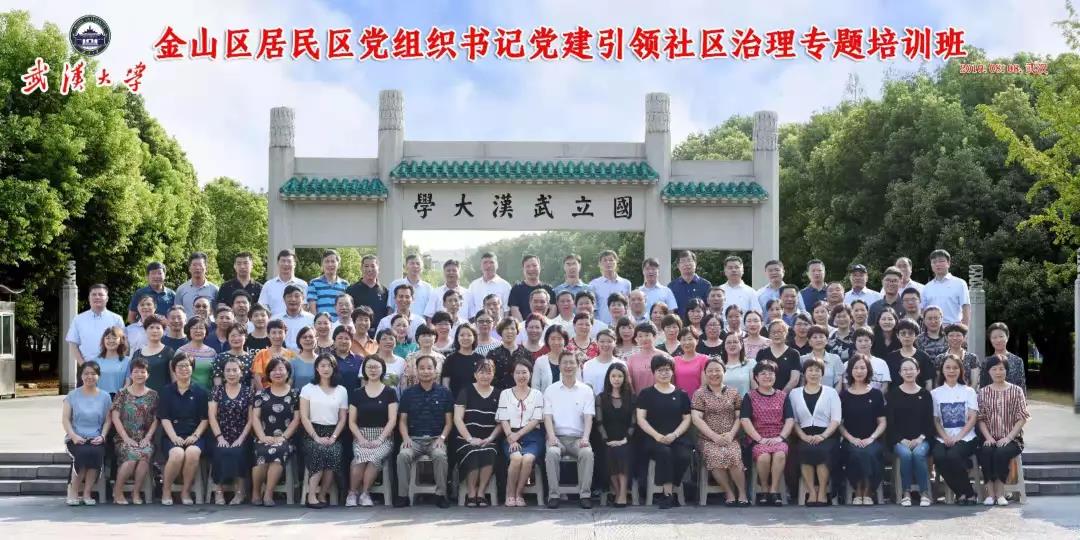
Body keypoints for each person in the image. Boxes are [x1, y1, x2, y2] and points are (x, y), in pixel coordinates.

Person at [395, 355, 454, 508]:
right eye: (422, 368)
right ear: (416, 371)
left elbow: (449, 422)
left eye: (429, 368)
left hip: (436, 439)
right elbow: (402, 421)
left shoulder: (445, 393)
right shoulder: (408, 394)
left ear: (435, 371)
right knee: (403, 455)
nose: (426, 371)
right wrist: (406, 438)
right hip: (414, 439)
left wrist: (442, 438)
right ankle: (403, 496)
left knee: (440, 455)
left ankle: (441, 495)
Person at [635, 355, 693, 509]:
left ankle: (671, 489)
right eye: (660, 370)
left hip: (677, 437)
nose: (664, 373)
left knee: (684, 456)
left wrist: (674, 435)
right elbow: (641, 419)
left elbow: (687, 419)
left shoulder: (681, 394)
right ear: (654, 372)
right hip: (653, 438)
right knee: (665, 453)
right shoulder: (646, 394)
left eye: (667, 370)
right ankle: (667, 495)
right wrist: (657, 436)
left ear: (672, 371)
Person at [692, 359, 749, 507]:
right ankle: (729, 493)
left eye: (717, 370)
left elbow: (739, 417)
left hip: (731, 437)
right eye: (710, 371)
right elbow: (696, 419)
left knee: (733, 455)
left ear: (724, 372)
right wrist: (714, 436)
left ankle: (742, 493)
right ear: (705, 373)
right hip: (708, 439)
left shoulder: (733, 392)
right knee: (716, 455)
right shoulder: (700, 394)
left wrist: (730, 434)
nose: (714, 374)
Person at [543, 350, 596, 509]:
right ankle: (553, 495)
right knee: (552, 453)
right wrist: (551, 436)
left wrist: (586, 438)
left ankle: (585, 495)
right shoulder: (550, 390)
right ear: (559, 366)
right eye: (564, 362)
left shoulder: (586, 390)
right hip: (557, 437)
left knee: (587, 453)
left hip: (577, 438)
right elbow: (547, 417)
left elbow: (588, 417)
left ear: (578, 365)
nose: (568, 366)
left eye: (571, 362)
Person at [976, 355, 1030, 506]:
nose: (998, 372)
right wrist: (988, 437)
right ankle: (990, 494)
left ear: (1007, 370)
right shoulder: (983, 392)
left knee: (1001, 452)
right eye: (994, 369)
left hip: (1012, 439)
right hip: (989, 437)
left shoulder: (1016, 391)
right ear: (988, 371)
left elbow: (1022, 417)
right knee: (986, 452)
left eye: (1001, 369)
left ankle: (1000, 493)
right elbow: (980, 419)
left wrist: (1009, 437)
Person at [345, 356, 398, 507]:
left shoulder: (390, 392)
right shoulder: (357, 393)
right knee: (359, 458)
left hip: (384, 437)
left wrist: (380, 439)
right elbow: (352, 422)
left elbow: (392, 420)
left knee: (374, 457)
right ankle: (352, 493)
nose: (373, 370)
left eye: (376, 367)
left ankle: (365, 493)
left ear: (383, 369)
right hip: (361, 435)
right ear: (364, 370)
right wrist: (361, 439)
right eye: (369, 367)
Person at [788, 358, 842, 507]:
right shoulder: (794, 393)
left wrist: (823, 436)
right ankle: (811, 492)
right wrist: (803, 436)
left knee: (823, 451)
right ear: (804, 373)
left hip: (827, 434)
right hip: (803, 434)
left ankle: (823, 492)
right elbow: (794, 420)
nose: (813, 373)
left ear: (822, 373)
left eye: (817, 370)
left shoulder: (831, 392)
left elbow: (836, 419)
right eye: (810, 370)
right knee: (804, 450)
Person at [159, 352, 210, 505]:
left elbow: (205, 419)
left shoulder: (201, 392)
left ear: (192, 368)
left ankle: (186, 491)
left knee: (193, 452)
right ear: (174, 369)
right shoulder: (166, 391)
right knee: (177, 454)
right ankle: (166, 490)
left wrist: (195, 436)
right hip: (172, 435)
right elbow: (164, 418)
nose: (184, 369)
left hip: (194, 435)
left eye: (187, 366)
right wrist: (174, 437)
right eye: (180, 366)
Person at [740, 361, 794, 506]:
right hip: (757, 438)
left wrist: (780, 438)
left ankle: (774, 491)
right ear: (756, 377)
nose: (767, 376)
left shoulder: (782, 396)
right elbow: (744, 419)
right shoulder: (750, 396)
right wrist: (760, 439)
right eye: (763, 373)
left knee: (780, 454)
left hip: (778, 437)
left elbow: (789, 419)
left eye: (770, 373)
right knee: (763, 456)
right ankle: (764, 489)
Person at [299, 354, 348, 509]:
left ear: (334, 368)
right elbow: (304, 417)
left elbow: (342, 418)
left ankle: (322, 494)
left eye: (329, 365)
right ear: (317, 368)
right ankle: (311, 495)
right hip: (312, 432)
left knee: (333, 452)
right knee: (319, 450)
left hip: (333, 432)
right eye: (322, 365)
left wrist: (334, 437)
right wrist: (316, 437)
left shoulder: (341, 390)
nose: (326, 369)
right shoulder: (308, 388)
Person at [62, 361, 114, 506]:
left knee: (96, 453)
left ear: (98, 376)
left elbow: (107, 420)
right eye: (86, 373)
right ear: (81, 376)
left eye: (93, 374)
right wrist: (74, 436)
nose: (89, 376)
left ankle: (87, 493)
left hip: (95, 437)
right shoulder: (72, 395)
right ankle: (73, 492)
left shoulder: (105, 396)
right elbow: (65, 419)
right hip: (76, 437)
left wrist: (102, 436)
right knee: (83, 454)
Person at [452, 359, 503, 507]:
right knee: (473, 452)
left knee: (490, 451)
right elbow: (457, 418)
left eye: (489, 372)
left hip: (489, 439)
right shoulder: (466, 391)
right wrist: (470, 439)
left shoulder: (499, 394)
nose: (485, 376)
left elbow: (501, 422)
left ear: (493, 374)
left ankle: (481, 493)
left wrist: (490, 438)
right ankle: (471, 493)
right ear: (475, 374)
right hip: (465, 439)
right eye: (481, 372)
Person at [251, 357, 301, 506]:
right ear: (268, 373)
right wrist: (262, 437)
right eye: (273, 370)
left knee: (277, 452)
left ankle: (268, 494)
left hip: (286, 439)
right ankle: (255, 492)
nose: (277, 372)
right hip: (264, 437)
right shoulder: (261, 394)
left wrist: (283, 437)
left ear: (288, 372)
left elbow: (296, 419)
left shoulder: (295, 394)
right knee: (261, 453)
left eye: (281, 369)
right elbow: (255, 418)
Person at [931, 354, 980, 504]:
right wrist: (945, 437)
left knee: (953, 455)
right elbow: (935, 420)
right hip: (942, 437)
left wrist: (958, 437)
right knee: (939, 456)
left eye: (955, 368)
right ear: (942, 370)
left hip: (966, 437)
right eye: (948, 367)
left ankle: (965, 493)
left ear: (960, 370)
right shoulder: (935, 393)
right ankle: (965, 493)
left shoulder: (969, 391)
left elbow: (972, 418)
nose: (951, 371)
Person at [886, 357, 935, 507]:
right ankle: (906, 492)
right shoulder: (893, 394)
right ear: (900, 373)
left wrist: (920, 439)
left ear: (918, 371)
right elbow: (891, 423)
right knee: (906, 454)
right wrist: (902, 440)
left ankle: (924, 493)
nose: (908, 372)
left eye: (911, 369)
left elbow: (929, 422)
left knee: (919, 454)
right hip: (899, 440)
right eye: (905, 369)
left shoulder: (925, 394)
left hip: (922, 439)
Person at [109, 358, 159, 505]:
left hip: (144, 438)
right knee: (131, 457)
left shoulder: (153, 395)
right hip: (123, 439)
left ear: (148, 375)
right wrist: (126, 438)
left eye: (143, 372)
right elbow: (115, 417)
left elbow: (156, 419)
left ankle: (136, 492)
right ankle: (117, 491)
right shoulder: (122, 393)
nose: (139, 375)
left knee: (144, 455)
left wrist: (148, 437)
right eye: (136, 371)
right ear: (130, 374)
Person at [838, 355, 886, 505]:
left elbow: (882, 422)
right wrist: (851, 438)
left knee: (868, 452)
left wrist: (871, 438)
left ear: (868, 370)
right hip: (851, 440)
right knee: (856, 453)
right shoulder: (844, 395)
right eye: (856, 368)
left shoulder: (876, 394)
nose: (859, 371)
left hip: (873, 440)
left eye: (862, 368)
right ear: (850, 371)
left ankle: (868, 490)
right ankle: (858, 488)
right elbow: (839, 423)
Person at [497, 360, 545, 507]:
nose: (521, 376)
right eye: (517, 373)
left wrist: (518, 435)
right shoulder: (505, 393)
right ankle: (509, 493)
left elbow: (536, 419)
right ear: (513, 374)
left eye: (524, 372)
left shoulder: (537, 394)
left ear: (530, 374)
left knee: (528, 459)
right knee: (516, 458)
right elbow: (503, 418)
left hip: (532, 436)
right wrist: (511, 437)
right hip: (510, 434)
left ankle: (519, 493)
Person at [207, 356, 253, 505]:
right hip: (220, 433)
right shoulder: (217, 391)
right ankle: (218, 491)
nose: (231, 374)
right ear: (223, 373)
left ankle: (240, 492)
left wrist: (241, 438)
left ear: (241, 372)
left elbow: (251, 419)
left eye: (235, 370)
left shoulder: (248, 391)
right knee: (219, 451)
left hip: (242, 435)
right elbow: (212, 416)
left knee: (239, 452)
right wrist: (220, 437)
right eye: (228, 370)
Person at [596, 362, 636, 507]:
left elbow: (633, 422)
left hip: (627, 439)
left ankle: (622, 493)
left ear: (625, 378)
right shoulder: (601, 398)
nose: (616, 379)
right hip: (607, 439)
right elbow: (599, 422)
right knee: (609, 452)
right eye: (613, 376)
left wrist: (625, 440)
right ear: (608, 378)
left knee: (622, 452)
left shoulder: (632, 397)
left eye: (620, 376)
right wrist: (606, 440)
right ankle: (618, 492)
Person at [66, 284, 126, 374]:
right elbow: (73, 344)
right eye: (94, 294)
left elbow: (123, 344)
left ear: (107, 298)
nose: (97, 297)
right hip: (86, 369)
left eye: (100, 294)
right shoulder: (78, 319)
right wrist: (83, 365)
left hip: (112, 369)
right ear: (89, 298)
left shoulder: (116, 319)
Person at [921, 249, 971, 326]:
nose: (937, 264)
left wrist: (965, 328)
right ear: (931, 265)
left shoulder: (960, 283)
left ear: (948, 263)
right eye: (934, 262)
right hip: (932, 328)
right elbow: (923, 310)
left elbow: (966, 307)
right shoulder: (927, 287)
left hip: (954, 328)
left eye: (941, 261)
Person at [886, 319, 934, 390]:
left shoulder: (923, 356)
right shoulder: (891, 357)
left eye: (910, 333)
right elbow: (887, 383)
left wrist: (926, 395)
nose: (907, 336)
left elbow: (928, 382)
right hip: (895, 395)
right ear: (898, 335)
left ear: (916, 335)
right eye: (903, 333)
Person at [346, 255, 389, 334]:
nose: (369, 269)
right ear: (361, 268)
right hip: (357, 333)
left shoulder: (384, 291)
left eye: (373, 266)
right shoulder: (351, 290)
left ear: (378, 269)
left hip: (380, 334)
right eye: (366, 266)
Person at [259, 250, 308, 318]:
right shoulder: (268, 285)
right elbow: (262, 306)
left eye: (289, 261)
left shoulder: (303, 284)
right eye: (283, 261)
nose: (286, 264)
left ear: (294, 264)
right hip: (274, 323)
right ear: (278, 263)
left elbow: (305, 306)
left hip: (298, 322)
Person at [756, 319, 802, 392]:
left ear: (786, 333)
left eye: (780, 332)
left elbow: (794, 380)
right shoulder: (762, 353)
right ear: (769, 334)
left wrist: (780, 395)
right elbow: (756, 376)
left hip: (787, 395)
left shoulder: (794, 354)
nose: (776, 335)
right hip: (764, 395)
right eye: (773, 332)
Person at [385, 254, 434, 321]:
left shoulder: (428, 288)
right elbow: (390, 308)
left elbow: (430, 313)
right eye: (412, 263)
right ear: (406, 267)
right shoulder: (395, 284)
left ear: (422, 268)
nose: (415, 266)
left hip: (420, 325)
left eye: (418, 264)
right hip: (399, 324)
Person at [250, 320, 296, 389]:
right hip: (265, 392)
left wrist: (285, 392)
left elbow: (291, 376)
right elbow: (257, 377)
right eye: (274, 333)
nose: (277, 336)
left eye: (280, 332)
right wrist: (262, 393)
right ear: (268, 335)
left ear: (285, 334)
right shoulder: (261, 354)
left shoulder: (291, 354)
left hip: (285, 392)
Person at [487, 318, 531, 390]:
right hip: (499, 393)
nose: (509, 331)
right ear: (501, 331)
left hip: (521, 393)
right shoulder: (493, 354)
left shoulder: (526, 353)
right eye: (506, 328)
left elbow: (530, 377)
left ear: (517, 331)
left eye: (512, 329)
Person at [982, 322, 1027, 391]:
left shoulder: (1017, 361)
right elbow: (982, 387)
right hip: (991, 397)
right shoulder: (986, 362)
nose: (998, 340)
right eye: (994, 337)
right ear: (990, 340)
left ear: (1007, 337)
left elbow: (1022, 386)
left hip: (1013, 397)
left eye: (1001, 336)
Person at [442, 323, 483, 398]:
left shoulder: (481, 359)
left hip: (477, 400)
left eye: (469, 335)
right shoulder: (450, 359)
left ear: (474, 337)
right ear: (457, 337)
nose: (465, 338)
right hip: (455, 400)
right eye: (462, 335)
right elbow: (445, 383)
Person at [306, 249, 349, 320]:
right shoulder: (314, 283)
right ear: (322, 264)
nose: (330, 264)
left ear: (339, 265)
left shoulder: (345, 284)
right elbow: (312, 309)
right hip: (321, 324)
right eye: (327, 261)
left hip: (340, 325)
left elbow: (347, 308)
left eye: (333, 261)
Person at [933, 323, 980, 388]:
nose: (954, 338)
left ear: (964, 338)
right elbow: (937, 382)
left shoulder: (972, 358)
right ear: (946, 338)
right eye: (951, 335)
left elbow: (974, 382)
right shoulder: (940, 358)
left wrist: (969, 393)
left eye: (958, 335)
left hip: (967, 393)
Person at [465, 252, 511, 318]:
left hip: (498, 323)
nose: (488, 265)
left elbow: (507, 310)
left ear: (497, 265)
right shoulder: (473, 285)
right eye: (485, 263)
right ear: (481, 266)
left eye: (491, 262)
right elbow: (470, 308)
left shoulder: (505, 286)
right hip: (478, 323)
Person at [508, 255, 553, 321]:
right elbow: (514, 309)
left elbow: (553, 308)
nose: (531, 269)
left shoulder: (548, 289)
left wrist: (545, 324)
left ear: (540, 267)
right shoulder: (516, 289)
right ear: (523, 269)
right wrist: (524, 326)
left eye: (534, 265)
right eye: (528, 266)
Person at [626, 322, 667, 392]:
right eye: (640, 336)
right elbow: (629, 382)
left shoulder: (664, 356)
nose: (644, 339)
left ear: (654, 336)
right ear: (636, 339)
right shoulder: (631, 359)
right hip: (639, 397)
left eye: (647, 335)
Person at [89, 326, 130, 396]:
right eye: (108, 338)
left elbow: (128, 383)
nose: (111, 341)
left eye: (114, 338)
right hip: (99, 398)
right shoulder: (95, 361)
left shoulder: (127, 361)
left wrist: (121, 395)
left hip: (119, 398)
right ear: (103, 340)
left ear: (121, 341)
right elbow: (91, 383)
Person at [212, 325, 255, 391]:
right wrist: (218, 393)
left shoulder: (252, 358)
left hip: (247, 395)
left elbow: (253, 380)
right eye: (233, 336)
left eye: (239, 335)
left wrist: (251, 394)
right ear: (227, 338)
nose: (236, 338)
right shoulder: (220, 357)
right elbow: (217, 379)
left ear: (245, 337)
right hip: (224, 395)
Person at [177, 316, 216, 389]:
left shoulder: (212, 352)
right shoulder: (181, 351)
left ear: (206, 331)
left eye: (201, 328)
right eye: (194, 328)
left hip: (208, 392)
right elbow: (176, 376)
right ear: (189, 330)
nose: (198, 331)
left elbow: (215, 375)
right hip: (187, 392)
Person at [175, 252, 219, 317]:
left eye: (200, 265)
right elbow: (177, 313)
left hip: (208, 324)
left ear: (206, 268)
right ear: (189, 268)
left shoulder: (215, 289)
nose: (197, 268)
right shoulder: (181, 290)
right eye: (194, 265)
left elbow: (218, 313)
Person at [402, 324, 445, 389]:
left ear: (435, 338)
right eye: (423, 335)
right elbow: (405, 381)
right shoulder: (410, 358)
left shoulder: (442, 359)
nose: (427, 338)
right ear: (418, 338)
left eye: (430, 335)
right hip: (414, 393)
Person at [801, 325, 844, 391]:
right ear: (809, 342)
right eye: (815, 337)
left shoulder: (835, 359)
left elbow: (838, 382)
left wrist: (833, 395)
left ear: (827, 340)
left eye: (821, 337)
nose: (818, 340)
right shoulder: (803, 359)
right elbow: (802, 383)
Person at [582, 330, 625, 394]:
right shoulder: (588, 365)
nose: (605, 344)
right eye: (602, 341)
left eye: (609, 341)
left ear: (615, 342)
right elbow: (586, 387)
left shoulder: (621, 364)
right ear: (597, 342)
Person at [668, 250, 711, 316]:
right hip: (679, 322)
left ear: (695, 263)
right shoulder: (671, 286)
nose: (686, 264)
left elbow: (709, 308)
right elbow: (670, 310)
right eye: (683, 261)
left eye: (689, 260)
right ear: (678, 266)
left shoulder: (706, 285)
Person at [850, 327, 892, 394]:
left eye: (866, 340)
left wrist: (875, 398)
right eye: (860, 341)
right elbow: (847, 385)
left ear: (871, 343)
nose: (863, 343)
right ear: (855, 343)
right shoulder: (848, 364)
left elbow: (885, 386)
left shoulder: (881, 363)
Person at [531, 325, 570, 394]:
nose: (556, 342)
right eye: (553, 339)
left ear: (565, 340)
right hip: (545, 400)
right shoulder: (540, 361)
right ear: (547, 340)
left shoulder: (572, 360)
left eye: (559, 339)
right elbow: (535, 387)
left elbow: (578, 383)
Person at [278, 284, 315, 353]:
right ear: (284, 299)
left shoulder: (311, 319)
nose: (293, 299)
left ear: (303, 298)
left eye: (297, 296)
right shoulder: (276, 319)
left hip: (305, 356)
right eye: (289, 296)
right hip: (281, 357)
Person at [672, 328, 709, 395]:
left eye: (690, 339)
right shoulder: (674, 360)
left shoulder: (704, 359)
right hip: (678, 399)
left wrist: (696, 399)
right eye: (683, 340)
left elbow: (704, 386)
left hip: (698, 398)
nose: (687, 342)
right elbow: (672, 384)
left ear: (697, 341)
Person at [720, 332, 757, 397]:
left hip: (745, 402)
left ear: (741, 344)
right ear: (724, 346)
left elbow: (755, 389)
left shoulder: (751, 363)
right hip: (723, 402)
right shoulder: (719, 365)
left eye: (735, 342)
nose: (732, 345)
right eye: (728, 342)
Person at [330, 326, 363, 394]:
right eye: (340, 338)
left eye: (347, 338)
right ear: (334, 341)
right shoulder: (327, 359)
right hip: (332, 398)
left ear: (352, 342)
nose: (343, 341)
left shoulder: (360, 360)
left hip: (354, 399)